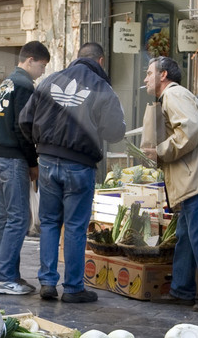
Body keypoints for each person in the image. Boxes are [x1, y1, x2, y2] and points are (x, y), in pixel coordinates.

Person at [19, 41, 126, 304]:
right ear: (100, 61)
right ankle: (74, 287)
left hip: (46, 161)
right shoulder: (102, 87)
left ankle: (47, 282)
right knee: (75, 227)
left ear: (77, 58)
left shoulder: (48, 81)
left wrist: (41, 143)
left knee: (50, 223)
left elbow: (24, 120)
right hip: (79, 164)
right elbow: (115, 132)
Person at [143, 56, 198, 312]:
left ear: (163, 75)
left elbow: (190, 130)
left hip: (197, 180)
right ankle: (181, 290)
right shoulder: (172, 97)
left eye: (149, 73)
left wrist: (160, 151)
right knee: (186, 237)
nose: (145, 79)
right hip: (190, 180)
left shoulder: (174, 95)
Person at [0, 41, 50, 296]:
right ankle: (3, 277)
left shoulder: (7, 82)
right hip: (12, 158)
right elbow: (23, 128)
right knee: (18, 218)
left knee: (5, 218)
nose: (42, 72)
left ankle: (9, 274)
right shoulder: (24, 85)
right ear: (31, 60)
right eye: (42, 66)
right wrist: (33, 161)